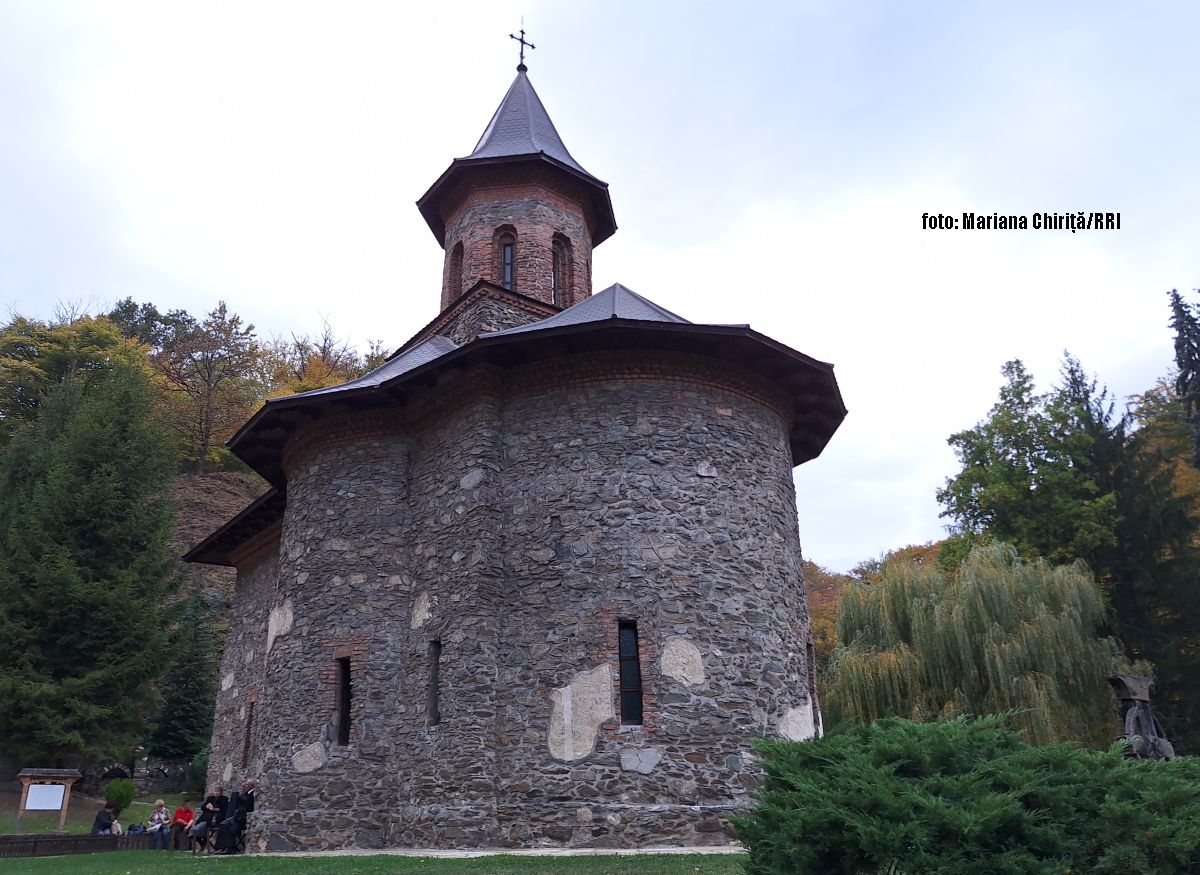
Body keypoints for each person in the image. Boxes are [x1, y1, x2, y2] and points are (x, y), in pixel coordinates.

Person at [211, 780, 255, 855]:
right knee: (223, 824)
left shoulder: (252, 794)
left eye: (246, 785)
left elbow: (248, 807)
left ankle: (229, 848)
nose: (244, 786)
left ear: (252, 785)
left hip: (242, 818)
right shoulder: (245, 794)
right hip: (237, 816)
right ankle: (222, 847)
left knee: (228, 825)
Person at [188, 785, 227, 851]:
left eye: (218, 791)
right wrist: (207, 807)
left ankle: (205, 841)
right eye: (215, 791)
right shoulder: (210, 798)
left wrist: (214, 809)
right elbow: (202, 807)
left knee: (199, 829)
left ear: (221, 792)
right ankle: (203, 842)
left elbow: (224, 809)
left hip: (216, 820)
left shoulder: (224, 799)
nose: (216, 793)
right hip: (206, 819)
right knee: (193, 831)